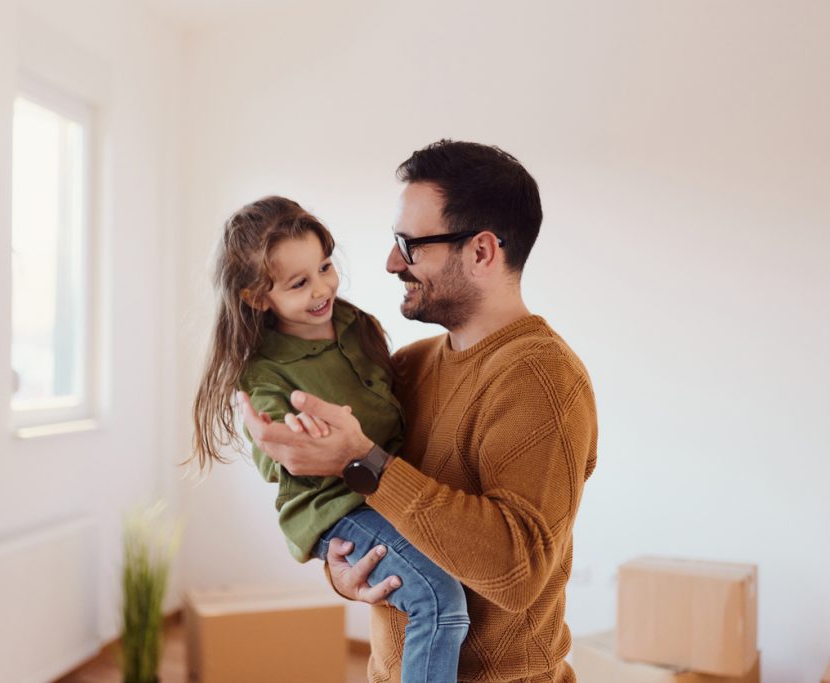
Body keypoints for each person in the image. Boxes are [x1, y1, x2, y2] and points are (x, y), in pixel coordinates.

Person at [239, 140, 598, 683]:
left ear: (480, 252)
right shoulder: (404, 367)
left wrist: (365, 463)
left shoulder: (542, 380)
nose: (390, 263)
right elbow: (380, 523)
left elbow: (516, 573)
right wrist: (343, 572)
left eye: (409, 245)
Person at [191, 195, 469, 683]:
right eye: (300, 283)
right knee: (438, 601)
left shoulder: (354, 324)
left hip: (384, 490)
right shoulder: (265, 374)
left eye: (324, 266)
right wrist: (300, 436)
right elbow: (281, 455)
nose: (322, 288)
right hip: (338, 509)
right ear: (258, 297)